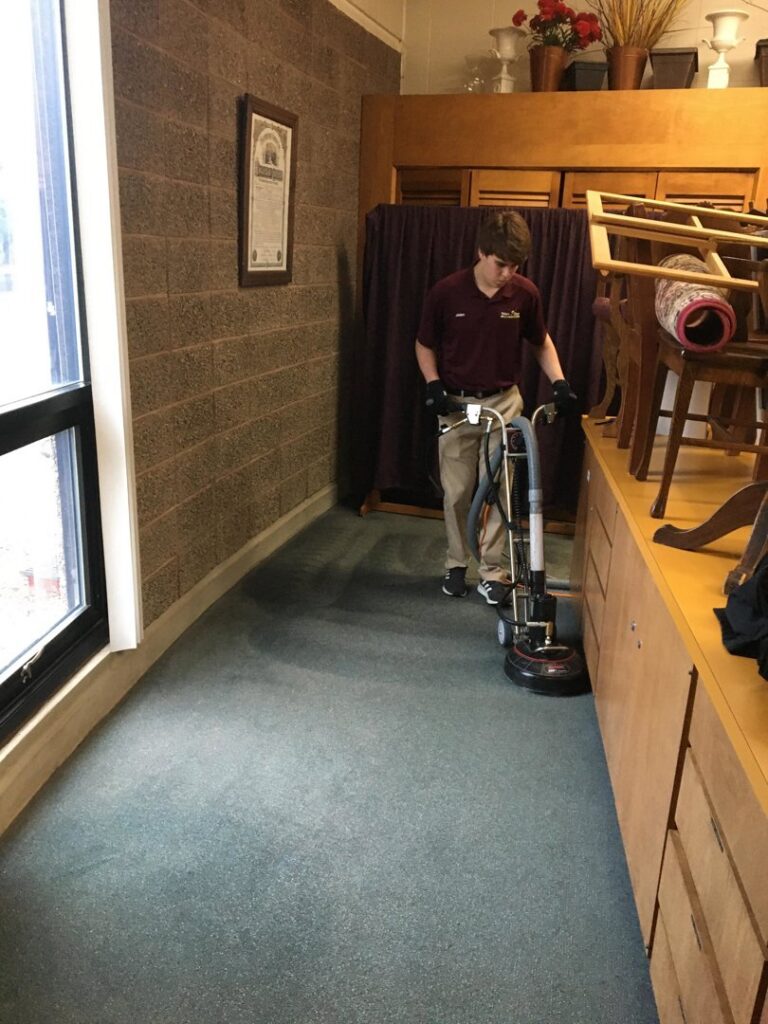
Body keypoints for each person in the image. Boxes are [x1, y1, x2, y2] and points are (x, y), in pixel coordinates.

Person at [415, 211, 578, 604]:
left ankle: (492, 570)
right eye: (500, 263)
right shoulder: (446, 292)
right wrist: (433, 384)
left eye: (515, 265)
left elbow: (540, 341)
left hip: (504, 404)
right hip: (455, 406)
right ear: (481, 252)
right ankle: (456, 564)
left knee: (503, 492)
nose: (507, 273)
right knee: (456, 493)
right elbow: (424, 344)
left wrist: (559, 382)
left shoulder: (525, 294)